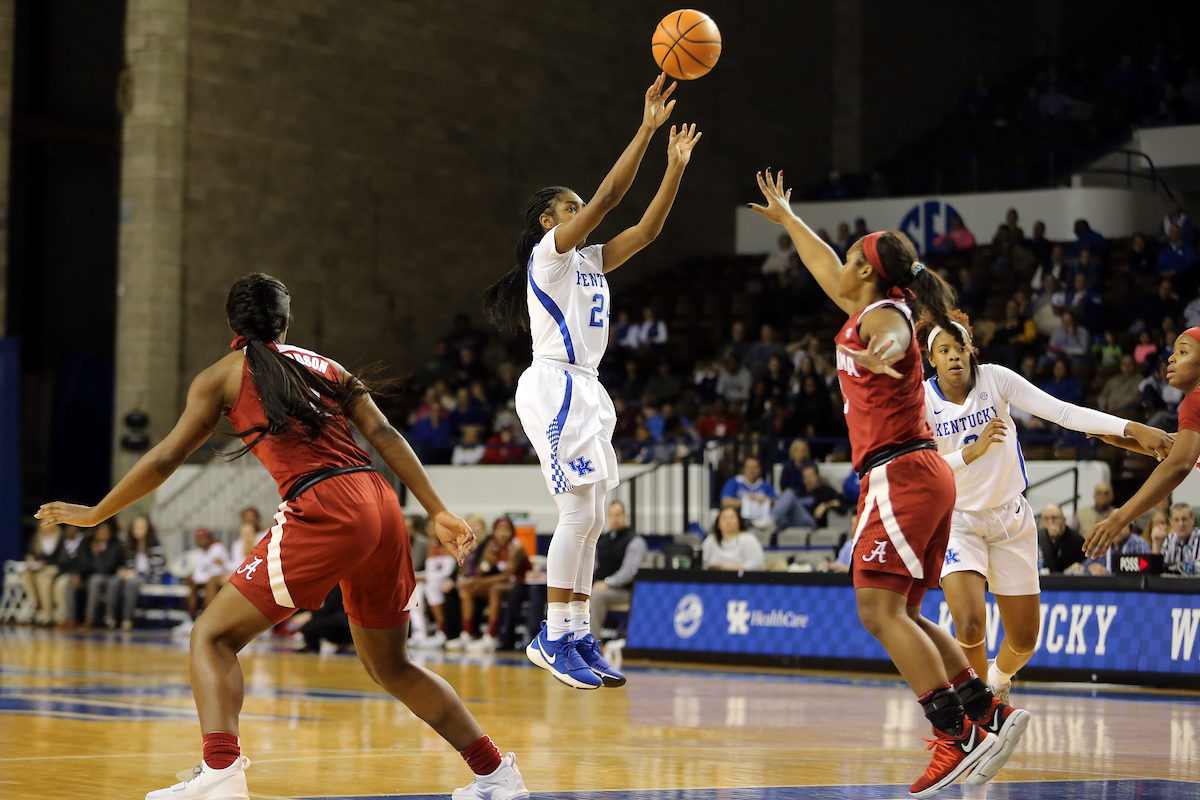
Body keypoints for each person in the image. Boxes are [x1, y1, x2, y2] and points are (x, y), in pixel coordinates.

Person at [36, 273, 527, 800]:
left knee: (213, 637)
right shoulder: (326, 367)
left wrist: (97, 513)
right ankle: (496, 773)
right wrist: (436, 509)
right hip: (381, 503)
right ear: (286, 321)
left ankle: (221, 772)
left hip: (326, 505)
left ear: (231, 323)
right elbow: (384, 435)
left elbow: (164, 457)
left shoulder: (222, 376)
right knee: (392, 664)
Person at [749, 169, 1018, 795]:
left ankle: (957, 738)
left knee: (876, 610)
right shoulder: (870, 304)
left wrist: (888, 352)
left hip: (900, 473)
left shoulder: (886, 319)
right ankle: (986, 711)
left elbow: (895, 334)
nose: (838, 266)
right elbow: (827, 273)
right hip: (916, 474)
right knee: (902, 612)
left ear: (866, 272)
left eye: (848, 258)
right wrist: (790, 218)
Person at [481, 74, 698, 691]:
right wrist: (647, 129)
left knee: (596, 514)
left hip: (586, 385)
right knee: (577, 512)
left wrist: (673, 166)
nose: (582, 213)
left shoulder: (591, 261)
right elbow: (607, 197)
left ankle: (577, 633)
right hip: (553, 384)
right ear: (549, 220)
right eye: (569, 207)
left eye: (578, 208)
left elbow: (648, 232)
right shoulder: (549, 255)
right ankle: (552, 635)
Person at [918, 311, 1166, 707]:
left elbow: (1063, 412)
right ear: (931, 358)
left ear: (972, 352)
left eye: (960, 348)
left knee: (1024, 642)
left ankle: (998, 677)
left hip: (1012, 518)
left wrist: (1130, 428)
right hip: (959, 521)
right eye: (943, 350)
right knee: (968, 624)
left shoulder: (995, 378)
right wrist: (970, 452)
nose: (953, 356)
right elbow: (920, 468)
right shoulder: (923, 400)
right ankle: (980, 715)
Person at [458, 518, 531, 654]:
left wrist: (475, 581)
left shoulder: (516, 548)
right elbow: (481, 571)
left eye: (506, 530)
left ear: (512, 532)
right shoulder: (492, 545)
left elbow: (506, 576)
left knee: (494, 589)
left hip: (518, 586)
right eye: (499, 530)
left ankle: (491, 636)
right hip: (500, 585)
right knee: (467, 589)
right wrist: (488, 563)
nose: (502, 534)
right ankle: (467, 633)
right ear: (494, 532)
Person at [589, 501, 646, 639]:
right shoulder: (602, 540)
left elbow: (628, 572)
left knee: (596, 596)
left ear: (625, 516)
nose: (615, 519)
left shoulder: (635, 541)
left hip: (623, 591)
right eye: (612, 515)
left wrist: (607, 583)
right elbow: (594, 566)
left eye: (618, 515)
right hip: (598, 586)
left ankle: (592, 644)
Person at [105, 513, 165, 629]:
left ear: (148, 528)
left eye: (141, 527)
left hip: (149, 577)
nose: (138, 530)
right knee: (114, 581)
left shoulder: (156, 546)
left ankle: (127, 619)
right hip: (133, 575)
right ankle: (110, 618)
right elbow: (128, 564)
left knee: (132, 583)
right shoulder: (130, 545)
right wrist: (124, 571)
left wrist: (136, 574)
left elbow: (156, 570)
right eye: (136, 527)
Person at [182, 528, 233, 624]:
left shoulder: (218, 548)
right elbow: (197, 571)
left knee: (211, 582)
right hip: (202, 579)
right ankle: (191, 616)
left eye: (203, 538)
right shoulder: (196, 552)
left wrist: (221, 564)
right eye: (198, 538)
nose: (201, 541)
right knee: (190, 583)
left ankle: (208, 615)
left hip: (218, 578)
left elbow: (226, 567)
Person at [774, 463, 844, 530]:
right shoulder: (800, 492)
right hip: (794, 521)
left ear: (817, 476)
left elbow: (843, 503)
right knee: (782, 517)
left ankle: (771, 519)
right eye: (805, 477)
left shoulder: (826, 490)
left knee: (788, 493)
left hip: (812, 523)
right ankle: (771, 522)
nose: (807, 480)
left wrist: (825, 505)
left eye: (810, 476)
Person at [84, 520, 126, 627]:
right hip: (96, 575)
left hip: (113, 575)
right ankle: (90, 618)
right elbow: (88, 566)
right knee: (95, 580)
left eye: (106, 531)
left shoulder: (115, 545)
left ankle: (110, 617)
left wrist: (98, 555)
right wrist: (95, 554)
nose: (104, 533)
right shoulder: (90, 545)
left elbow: (110, 566)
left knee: (113, 583)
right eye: (101, 531)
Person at [20, 522, 63, 625]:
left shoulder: (60, 537)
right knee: (26, 574)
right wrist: (30, 558)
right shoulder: (36, 536)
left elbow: (61, 557)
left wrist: (46, 563)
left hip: (52, 566)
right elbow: (30, 551)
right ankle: (35, 603)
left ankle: (48, 615)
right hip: (38, 566)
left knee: (42, 579)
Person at [719, 457, 777, 529]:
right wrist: (744, 501)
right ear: (743, 469)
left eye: (754, 468)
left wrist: (767, 500)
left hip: (763, 518)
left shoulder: (766, 485)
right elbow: (725, 502)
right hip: (741, 519)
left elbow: (777, 502)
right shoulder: (734, 482)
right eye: (749, 468)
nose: (751, 470)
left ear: (759, 470)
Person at [701, 508, 765, 571]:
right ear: (718, 523)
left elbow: (758, 563)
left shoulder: (748, 538)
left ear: (739, 522)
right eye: (724, 518)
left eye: (731, 518)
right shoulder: (711, 539)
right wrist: (711, 566)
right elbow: (702, 561)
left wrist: (736, 568)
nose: (728, 521)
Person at [1075, 521, 1149, 575]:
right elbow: (1087, 566)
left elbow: (1144, 573)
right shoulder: (1103, 544)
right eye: (1112, 525)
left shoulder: (1138, 544)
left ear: (1129, 525)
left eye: (1121, 525)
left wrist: (1106, 573)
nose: (1117, 529)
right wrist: (1079, 568)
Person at [50, 524, 89, 626]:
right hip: (64, 573)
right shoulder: (62, 542)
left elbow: (85, 562)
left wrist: (78, 574)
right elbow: (57, 560)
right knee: (56, 583)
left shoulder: (82, 542)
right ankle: (58, 616)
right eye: (68, 528)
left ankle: (70, 617)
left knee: (65, 584)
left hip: (79, 574)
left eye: (73, 528)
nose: (70, 530)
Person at [1037, 504, 1086, 573]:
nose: (1050, 522)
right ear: (1040, 522)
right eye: (1046, 518)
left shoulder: (1077, 540)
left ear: (1064, 520)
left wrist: (1079, 566)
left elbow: (1086, 563)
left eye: (1054, 518)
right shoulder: (1036, 539)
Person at [1160, 503, 1200, 574]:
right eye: (1176, 520)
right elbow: (1160, 566)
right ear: (1171, 522)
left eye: (1184, 519)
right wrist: (1156, 543)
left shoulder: (1198, 538)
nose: (1181, 524)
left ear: (1193, 520)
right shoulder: (1169, 539)